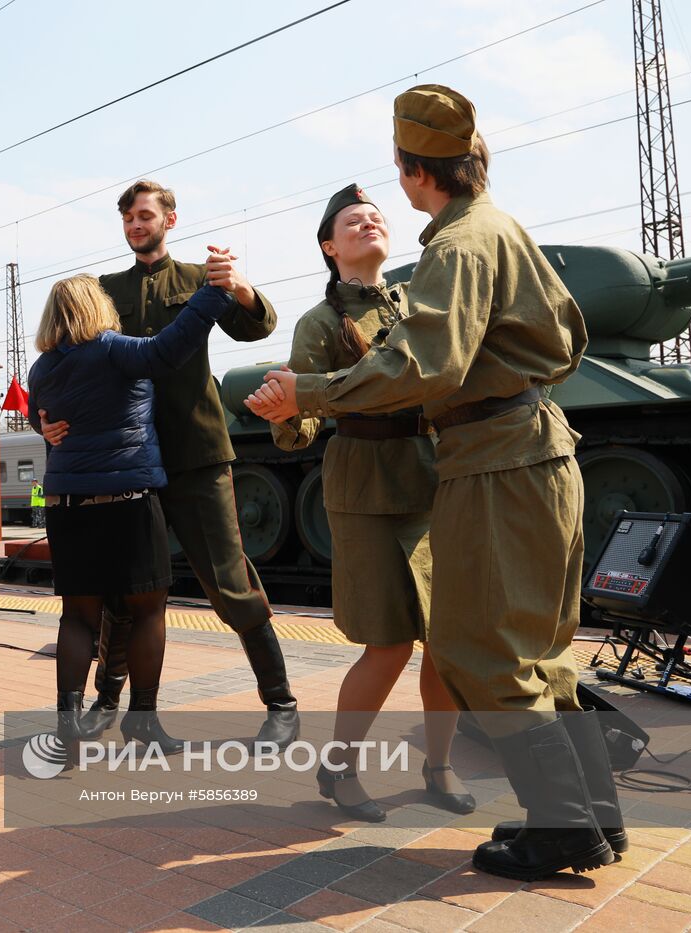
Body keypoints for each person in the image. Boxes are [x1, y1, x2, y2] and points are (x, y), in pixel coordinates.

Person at [247, 84, 618, 880]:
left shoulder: (451, 249)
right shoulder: (498, 230)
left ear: (414, 171)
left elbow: (422, 364)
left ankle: (564, 827)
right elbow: (570, 336)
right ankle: (593, 817)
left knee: (480, 648)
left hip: (492, 461)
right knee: (537, 649)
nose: (377, 213)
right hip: (524, 448)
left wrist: (307, 392)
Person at [42, 180, 299, 748]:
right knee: (123, 594)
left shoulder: (197, 279)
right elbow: (66, 364)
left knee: (230, 583)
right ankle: (110, 706)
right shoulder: (103, 290)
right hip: (128, 463)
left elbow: (258, 325)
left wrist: (241, 287)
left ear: (170, 220)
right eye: (128, 218)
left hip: (195, 454)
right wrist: (45, 418)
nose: (136, 225)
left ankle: (281, 703)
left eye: (145, 215)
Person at [271, 184, 473, 822]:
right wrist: (283, 414)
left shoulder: (419, 305)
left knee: (446, 641)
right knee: (387, 644)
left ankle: (438, 766)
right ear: (330, 247)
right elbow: (298, 424)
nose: (369, 222)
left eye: (377, 216)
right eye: (352, 221)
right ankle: (341, 769)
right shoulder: (321, 323)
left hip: (433, 480)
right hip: (365, 491)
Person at [29, 274, 230, 753]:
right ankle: (142, 718)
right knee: (147, 612)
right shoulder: (113, 348)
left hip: (65, 505)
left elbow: (48, 425)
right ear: (97, 308)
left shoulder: (41, 369)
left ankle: (67, 725)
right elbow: (168, 349)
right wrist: (215, 293)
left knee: (78, 616)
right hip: (127, 501)